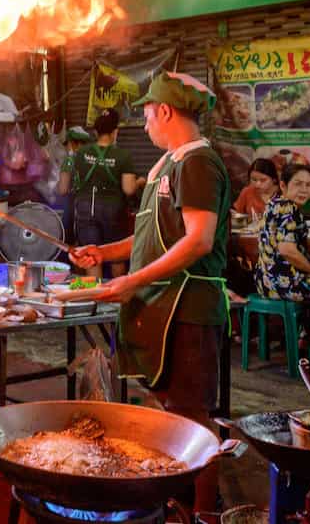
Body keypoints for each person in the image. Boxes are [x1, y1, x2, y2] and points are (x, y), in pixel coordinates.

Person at [71, 72, 229, 514]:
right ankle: (174, 501)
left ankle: (203, 512)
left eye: (146, 114)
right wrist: (102, 252)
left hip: (188, 307)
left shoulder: (197, 162)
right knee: (167, 409)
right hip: (162, 305)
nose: (143, 124)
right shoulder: (168, 164)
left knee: (194, 418)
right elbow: (148, 240)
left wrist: (131, 281)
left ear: (165, 111)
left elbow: (198, 241)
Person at [58, 108, 138, 274]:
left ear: (95, 131)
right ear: (115, 131)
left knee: (91, 258)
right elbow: (129, 189)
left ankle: (95, 298)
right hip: (113, 212)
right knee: (116, 255)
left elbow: (64, 187)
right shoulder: (123, 155)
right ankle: (118, 298)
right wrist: (141, 182)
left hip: (85, 210)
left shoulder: (81, 154)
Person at [254, 164, 310, 304]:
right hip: (283, 283)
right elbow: (288, 251)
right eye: (298, 184)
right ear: (283, 185)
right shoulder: (288, 209)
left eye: (308, 185)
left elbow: (302, 238)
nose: (304, 190)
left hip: (265, 281)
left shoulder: (276, 203)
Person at [56, 126, 92, 244]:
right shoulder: (94, 159)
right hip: (93, 206)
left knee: (69, 242)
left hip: (74, 206)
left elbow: (63, 189)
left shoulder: (70, 160)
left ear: (72, 143)